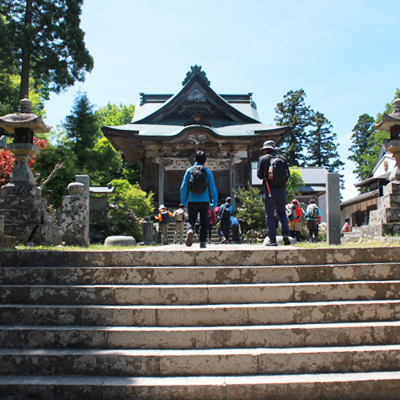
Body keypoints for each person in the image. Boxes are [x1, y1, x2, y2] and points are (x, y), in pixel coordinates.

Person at [180, 150, 218, 249]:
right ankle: (202, 242)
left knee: (191, 219)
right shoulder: (207, 172)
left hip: (192, 200)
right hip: (205, 201)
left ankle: (189, 230)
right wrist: (214, 203)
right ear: (205, 161)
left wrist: (183, 201)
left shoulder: (189, 171)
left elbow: (183, 187)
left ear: (194, 159)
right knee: (204, 222)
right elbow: (213, 188)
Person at [257, 140, 290, 246]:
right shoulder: (282, 159)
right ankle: (285, 234)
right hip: (281, 189)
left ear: (265, 149)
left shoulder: (263, 159)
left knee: (270, 214)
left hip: (269, 189)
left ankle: (272, 238)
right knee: (282, 212)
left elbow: (259, 175)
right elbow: (287, 174)